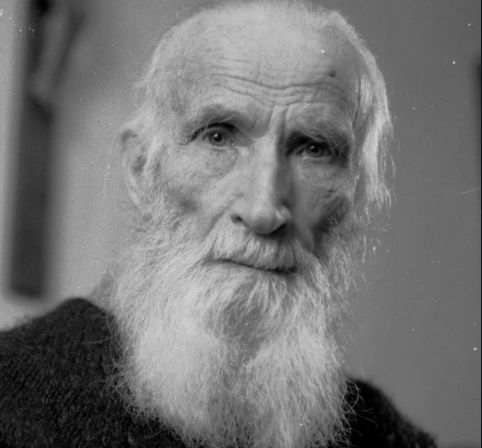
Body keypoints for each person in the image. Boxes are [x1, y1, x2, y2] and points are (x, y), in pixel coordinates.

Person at [0, 1, 437, 447]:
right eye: (218, 136)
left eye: (314, 148)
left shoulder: (387, 437)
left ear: (359, 195)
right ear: (141, 170)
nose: (264, 211)